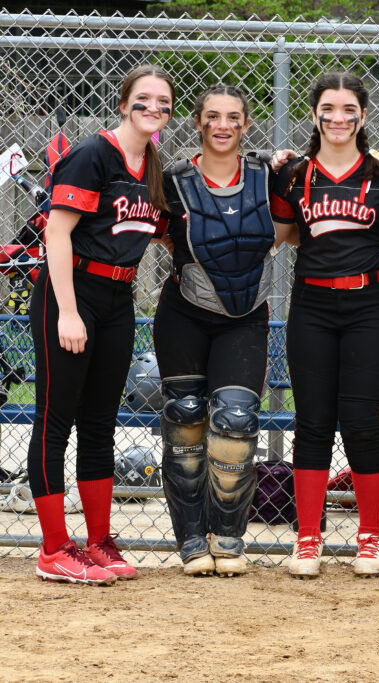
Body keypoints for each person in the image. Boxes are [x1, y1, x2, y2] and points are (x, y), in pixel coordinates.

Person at [28, 65, 174, 584]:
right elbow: (59, 235)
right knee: (55, 419)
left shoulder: (150, 163)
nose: (152, 108)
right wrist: (67, 310)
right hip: (72, 293)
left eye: (162, 101)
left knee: (99, 424)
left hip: (117, 298)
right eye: (143, 99)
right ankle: (52, 549)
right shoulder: (94, 154)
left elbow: (156, 231)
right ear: (123, 104)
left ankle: (96, 542)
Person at [271, 72, 379, 579]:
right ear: (315, 114)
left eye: (349, 109)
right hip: (312, 305)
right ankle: (309, 538)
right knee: (311, 422)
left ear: (363, 116)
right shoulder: (293, 175)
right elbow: (282, 235)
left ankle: (371, 536)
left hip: (369, 305)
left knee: (361, 421)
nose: (339, 117)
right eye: (329, 108)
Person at [155, 84, 285, 577]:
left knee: (235, 422)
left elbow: (298, 218)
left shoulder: (270, 176)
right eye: (212, 116)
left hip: (244, 314)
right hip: (184, 311)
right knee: (185, 422)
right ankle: (191, 537)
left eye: (233, 116)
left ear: (247, 123)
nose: (223, 125)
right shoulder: (172, 182)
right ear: (198, 123)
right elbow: (150, 230)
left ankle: (227, 536)